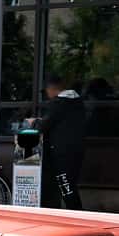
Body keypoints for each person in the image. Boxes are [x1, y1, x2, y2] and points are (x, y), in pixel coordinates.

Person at [38, 74, 86, 210]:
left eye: (46, 91)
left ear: (51, 89)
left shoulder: (58, 103)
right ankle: (75, 212)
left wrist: (35, 122)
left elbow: (44, 126)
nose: (47, 95)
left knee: (66, 186)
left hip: (62, 152)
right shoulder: (77, 102)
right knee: (69, 184)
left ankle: (76, 214)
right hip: (76, 149)